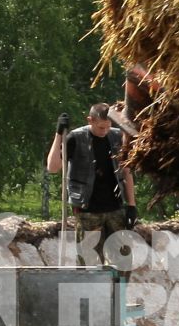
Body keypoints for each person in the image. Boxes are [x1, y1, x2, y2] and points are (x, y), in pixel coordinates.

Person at [46, 103, 137, 240]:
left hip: (116, 208)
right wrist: (59, 134)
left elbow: (126, 171)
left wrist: (131, 205)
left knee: (122, 258)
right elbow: (52, 168)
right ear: (90, 120)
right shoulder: (75, 138)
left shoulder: (117, 137)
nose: (105, 131)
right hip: (86, 210)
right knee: (89, 257)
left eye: (108, 127)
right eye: (101, 127)